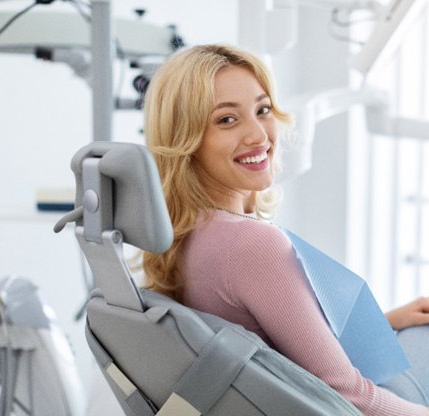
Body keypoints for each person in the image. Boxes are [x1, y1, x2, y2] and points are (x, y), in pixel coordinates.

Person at [142, 44, 429, 415]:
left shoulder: (185, 233)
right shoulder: (249, 245)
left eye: (262, 111)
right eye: (227, 120)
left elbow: (275, 355)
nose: (258, 136)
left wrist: (387, 323)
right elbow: (349, 396)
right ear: (187, 139)